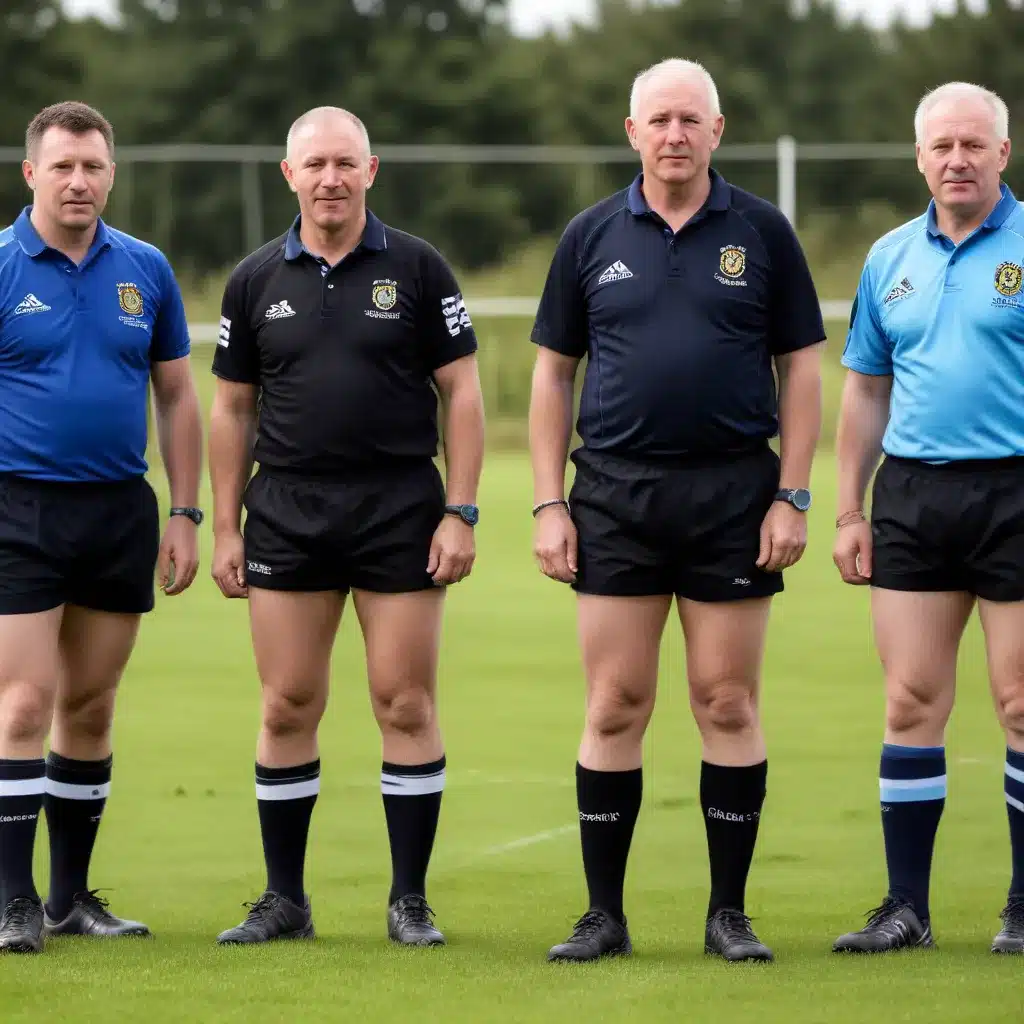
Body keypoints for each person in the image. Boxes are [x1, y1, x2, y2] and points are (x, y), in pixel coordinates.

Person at [529, 58, 824, 964]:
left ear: (717, 130)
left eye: (690, 120)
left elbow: (804, 368)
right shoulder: (589, 236)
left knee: (726, 701)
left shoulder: (764, 233)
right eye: (658, 120)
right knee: (616, 700)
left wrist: (793, 493)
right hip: (614, 494)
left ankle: (728, 913)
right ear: (632, 133)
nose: (674, 135)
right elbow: (552, 373)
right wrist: (549, 501)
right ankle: (603, 915)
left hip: (734, 493)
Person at [209, 106, 484, 947]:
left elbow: (464, 394)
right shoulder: (255, 280)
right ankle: (284, 899)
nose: (330, 178)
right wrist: (224, 525)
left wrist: (460, 511)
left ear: (372, 170)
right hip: (287, 510)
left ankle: (409, 902)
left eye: (345, 163)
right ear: (287, 174)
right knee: (288, 703)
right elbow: (231, 408)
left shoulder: (419, 266)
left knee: (404, 701)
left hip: (398, 505)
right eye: (314, 164)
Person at [0, 102, 202, 954]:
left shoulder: (145, 269)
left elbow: (178, 395)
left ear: (112, 173)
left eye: (93, 166)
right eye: (63, 166)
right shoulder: (5, 266)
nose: (79, 181)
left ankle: (70, 897)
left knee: (89, 706)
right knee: (22, 705)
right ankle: (12, 901)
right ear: (31, 174)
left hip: (120, 509)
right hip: (20, 509)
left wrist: (187, 512)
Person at [832, 81, 1024, 956]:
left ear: (1002, 154)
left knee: (1021, 703)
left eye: (973, 145)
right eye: (941, 145)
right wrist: (846, 508)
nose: (957, 159)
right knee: (911, 700)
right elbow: (867, 388)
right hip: (911, 496)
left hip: (1016, 493)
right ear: (919, 157)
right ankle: (905, 907)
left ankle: (1022, 908)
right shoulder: (888, 258)